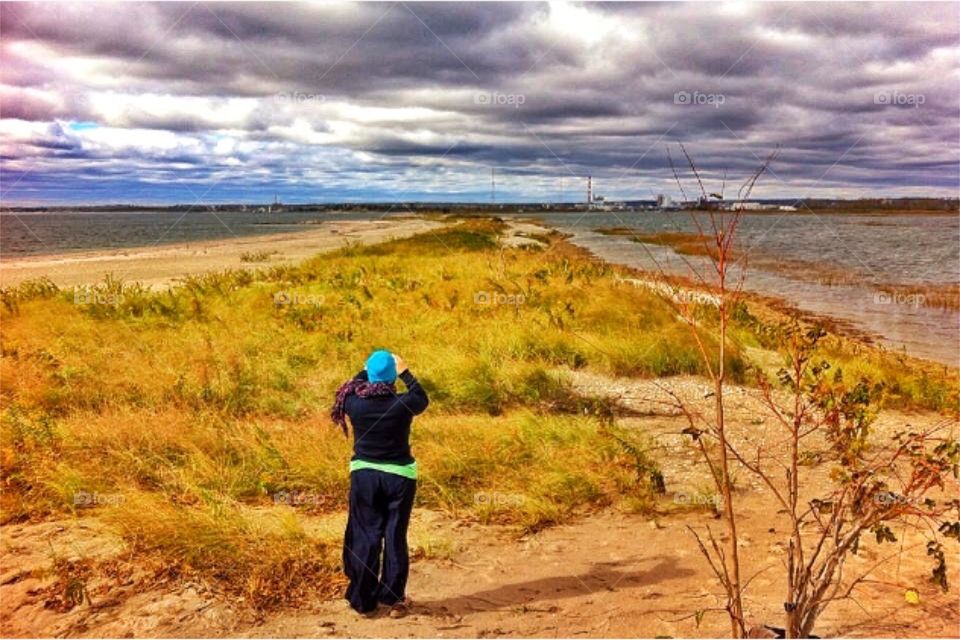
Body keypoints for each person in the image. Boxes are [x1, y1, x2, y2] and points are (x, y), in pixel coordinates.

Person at [330, 350, 429, 617]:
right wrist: (405, 371)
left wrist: (366, 369)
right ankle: (393, 598)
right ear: (392, 378)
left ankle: (363, 599)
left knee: (366, 536)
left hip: (365, 476)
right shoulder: (403, 403)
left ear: (369, 376)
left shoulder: (353, 402)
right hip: (400, 478)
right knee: (395, 536)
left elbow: (351, 384)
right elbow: (421, 396)